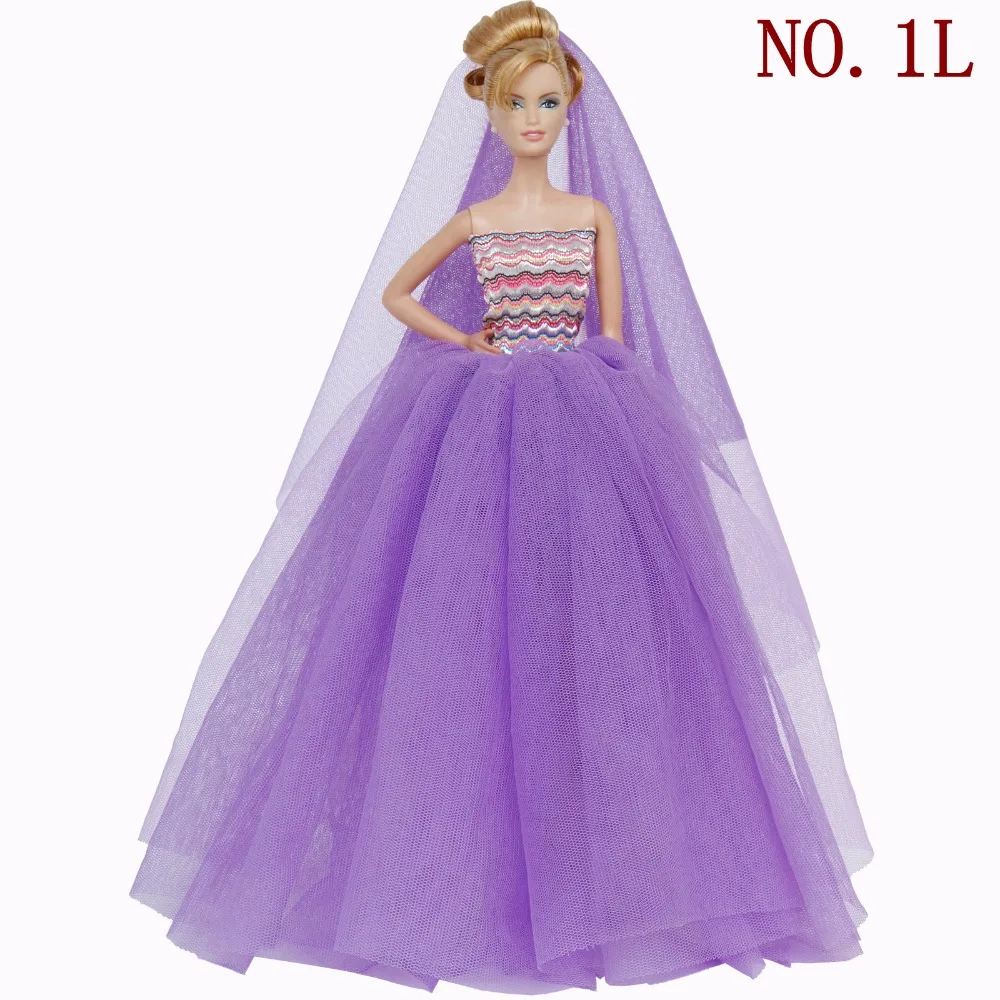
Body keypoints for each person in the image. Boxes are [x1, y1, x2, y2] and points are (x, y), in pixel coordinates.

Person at [131, 3, 873, 992]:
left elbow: (616, 331)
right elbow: (399, 293)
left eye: (549, 103)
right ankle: (459, 875)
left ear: (570, 107)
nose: (533, 120)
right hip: (481, 420)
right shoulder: (476, 221)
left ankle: (622, 877)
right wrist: (464, 343)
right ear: (487, 108)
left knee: (603, 635)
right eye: (517, 103)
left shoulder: (593, 216)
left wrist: (607, 398)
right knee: (456, 628)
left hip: (586, 418)